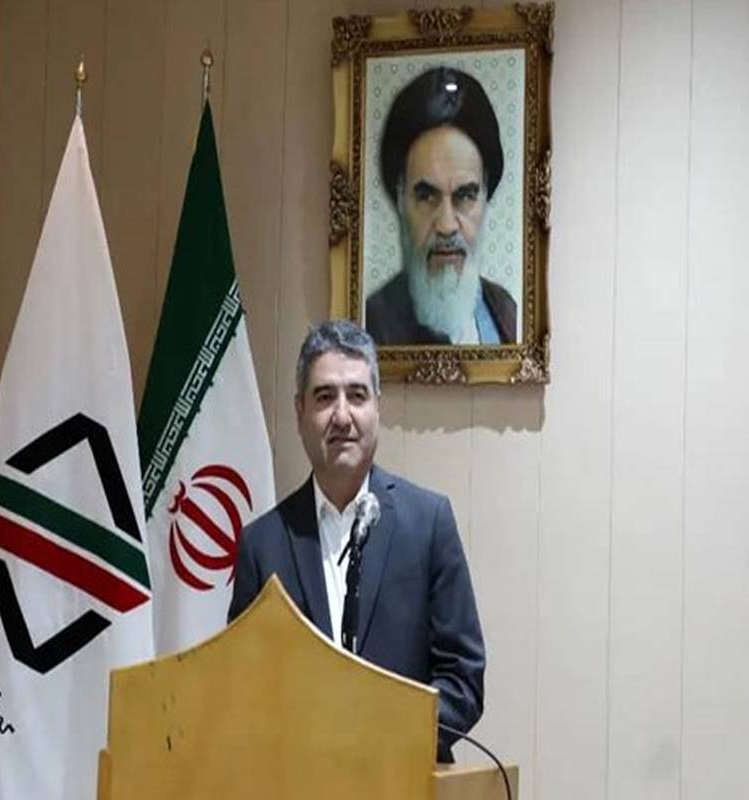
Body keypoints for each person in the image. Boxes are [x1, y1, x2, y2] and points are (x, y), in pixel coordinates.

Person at [227, 320, 484, 762]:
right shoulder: (262, 545)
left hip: (405, 778)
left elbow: (463, 678)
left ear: (378, 407)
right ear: (300, 412)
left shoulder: (429, 524)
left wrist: (385, 737)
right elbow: (242, 687)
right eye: (325, 397)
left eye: (357, 396)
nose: (342, 416)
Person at [365, 66, 517, 346]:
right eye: (426, 197)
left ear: (485, 194)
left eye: (465, 196)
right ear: (400, 200)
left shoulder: (505, 311)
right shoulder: (372, 323)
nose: (447, 225)